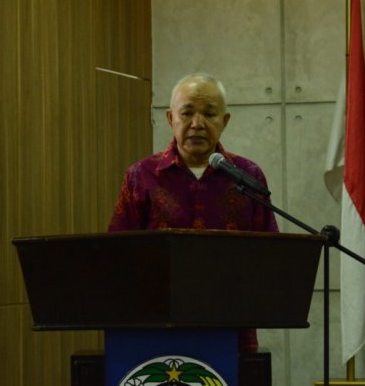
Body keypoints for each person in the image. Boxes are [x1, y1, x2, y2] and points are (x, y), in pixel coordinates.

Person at [108, 72, 279, 350]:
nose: (197, 124)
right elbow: (117, 253)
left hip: (231, 330)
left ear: (224, 121)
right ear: (170, 118)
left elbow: (270, 254)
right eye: (187, 113)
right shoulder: (141, 175)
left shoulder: (247, 175)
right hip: (156, 331)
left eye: (209, 114)